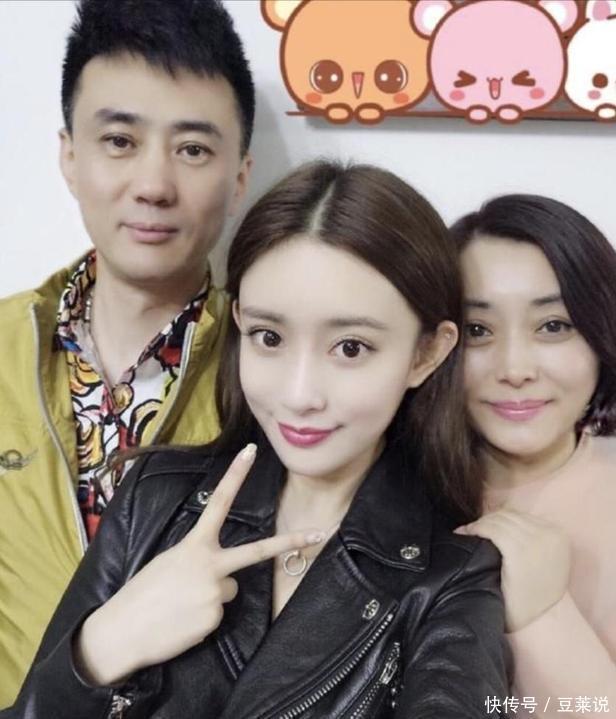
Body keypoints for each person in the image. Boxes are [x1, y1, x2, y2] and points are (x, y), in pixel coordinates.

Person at [5, 161, 511, 717]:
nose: (299, 394)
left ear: (426, 354)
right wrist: (105, 645)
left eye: (350, 348)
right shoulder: (154, 498)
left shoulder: (452, 577)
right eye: (269, 337)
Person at [0, 0, 253, 706]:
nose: (153, 185)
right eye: (119, 140)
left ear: (240, 176)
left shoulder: (275, 374)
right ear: (69, 156)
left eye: (193, 149)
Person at [452, 195, 616, 717]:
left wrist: (543, 616)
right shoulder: (386, 496)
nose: (515, 369)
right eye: (478, 331)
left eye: (553, 326)